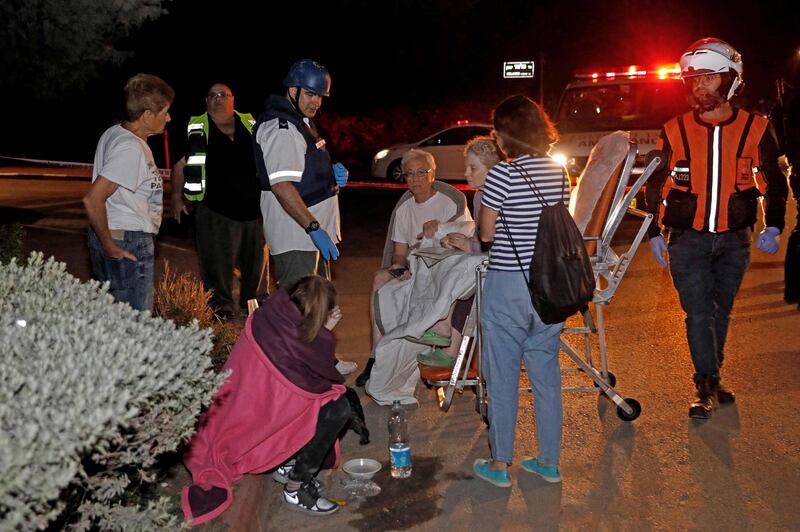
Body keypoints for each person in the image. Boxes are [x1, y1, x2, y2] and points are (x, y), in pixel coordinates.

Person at [645, 38, 789, 419]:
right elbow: (655, 183)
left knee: (720, 312)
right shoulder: (673, 129)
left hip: (736, 241)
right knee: (698, 315)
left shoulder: (757, 128)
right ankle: (705, 385)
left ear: (731, 80)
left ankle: (713, 376)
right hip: (687, 241)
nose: (699, 87)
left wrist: (774, 226)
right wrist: (654, 233)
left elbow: (775, 181)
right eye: (693, 80)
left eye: (708, 78)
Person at [182, 275, 350, 522]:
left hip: (233, 413)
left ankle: (285, 460)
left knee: (324, 402)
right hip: (246, 426)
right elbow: (316, 380)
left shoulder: (267, 316)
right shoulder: (293, 342)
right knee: (337, 408)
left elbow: (300, 370)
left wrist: (320, 331)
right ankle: (295, 489)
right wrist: (324, 332)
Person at [474, 94, 569, 487]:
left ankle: (500, 466)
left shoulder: (502, 174)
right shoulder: (559, 172)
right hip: (548, 288)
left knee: (503, 378)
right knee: (546, 378)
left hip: (508, 287)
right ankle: (548, 462)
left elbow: (486, 234)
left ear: (504, 135)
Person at [253, 59, 356, 375]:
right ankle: (297, 373)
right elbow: (282, 187)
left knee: (319, 305)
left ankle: (320, 359)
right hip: (297, 233)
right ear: (292, 89)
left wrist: (332, 178)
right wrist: (313, 227)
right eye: (309, 94)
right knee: (302, 310)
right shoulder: (281, 127)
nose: (316, 101)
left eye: (320, 96)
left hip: (311, 232)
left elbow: (302, 175)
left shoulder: (300, 121)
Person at [354, 148, 472, 386]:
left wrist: (441, 230)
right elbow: (399, 253)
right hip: (413, 269)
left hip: (444, 271)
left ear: (433, 173)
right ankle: (376, 357)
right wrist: (400, 269)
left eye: (421, 172)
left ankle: (439, 348)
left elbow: (464, 240)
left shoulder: (450, 203)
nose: (416, 179)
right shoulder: (404, 210)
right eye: (410, 174)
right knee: (379, 278)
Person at [170, 83, 267, 319]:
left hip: (254, 210)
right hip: (215, 210)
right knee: (217, 263)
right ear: (206, 101)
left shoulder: (249, 124)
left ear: (234, 99)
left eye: (223, 94)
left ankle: (253, 304)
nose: (218, 98)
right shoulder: (198, 127)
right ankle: (220, 306)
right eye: (212, 95)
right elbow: (180, 165)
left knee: (256, 264)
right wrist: (175, 196)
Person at [83, 73, 174, 312]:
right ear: (146, 116)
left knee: (115, 323)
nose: (169, 118)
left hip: (118, 236)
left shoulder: (115, 133)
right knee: (135, 327)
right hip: (127, 241)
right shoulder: (131, 148)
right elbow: (93, 199)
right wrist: (109, 245)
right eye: (164, 112)